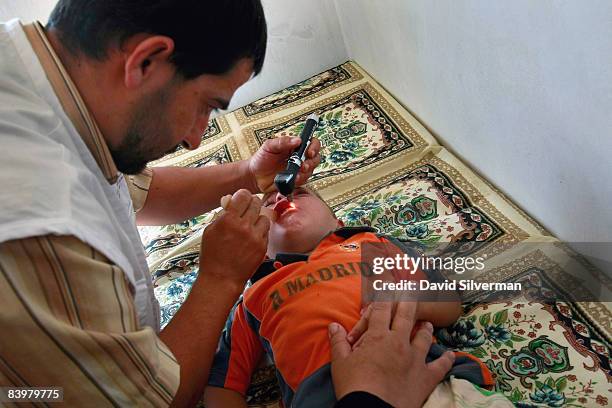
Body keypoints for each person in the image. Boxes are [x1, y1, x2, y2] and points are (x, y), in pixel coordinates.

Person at [0, 1, 456, 406]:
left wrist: (249, 174)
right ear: (146, 61)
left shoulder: (366, 245)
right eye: (207, 105)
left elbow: (130, 190)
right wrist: (220, 278)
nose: (196, 137)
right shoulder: (42, 222)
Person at [203, 187, 494, 407]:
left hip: (428, 378)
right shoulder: (253, 296)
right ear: (260, 249)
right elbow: (224, 384)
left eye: (299, 193)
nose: (280, 200)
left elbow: (449, 303)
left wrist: (408, 303)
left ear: (337, 221)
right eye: (268, 203)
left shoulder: (370, 243)